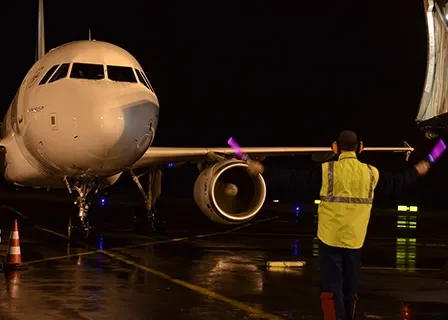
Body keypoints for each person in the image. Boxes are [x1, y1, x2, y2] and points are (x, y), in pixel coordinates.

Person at [246, 130, 431, 320]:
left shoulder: (327, 170)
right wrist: (416, 171)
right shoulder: (371, 173)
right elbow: (397, 182)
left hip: (330, 238)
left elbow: (293, 179)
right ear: (360, 148)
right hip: (355, 239)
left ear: (335, 147)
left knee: (332, 289)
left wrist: (264, 170)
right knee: (350, 289)